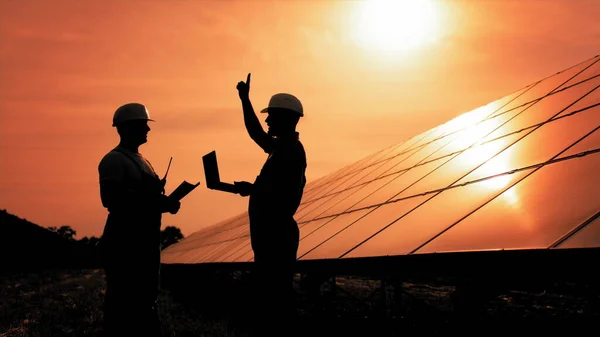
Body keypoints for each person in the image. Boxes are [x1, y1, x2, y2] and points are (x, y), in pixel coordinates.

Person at [98, 102, 180, 337]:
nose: (148, 130)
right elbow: (111, 199)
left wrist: (165, 204)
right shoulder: (114, 160)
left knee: (144, 300)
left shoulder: (141, 160)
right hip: (126, 242)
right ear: (128, 127)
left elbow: (142, 199)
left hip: (145, 240)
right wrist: (156, 203)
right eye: (144, 125)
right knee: (123, 302)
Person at [234, 73, 307, 335]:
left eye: (271, 116)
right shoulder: (281, 148)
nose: (266, 120)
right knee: (273, 297)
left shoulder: (291, 151)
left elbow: (282, 195)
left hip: (277, 235)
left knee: (277, 299)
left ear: (286, 119)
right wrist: (245, 100)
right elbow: (255, 132)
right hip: (272, 234)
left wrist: (253, 189)